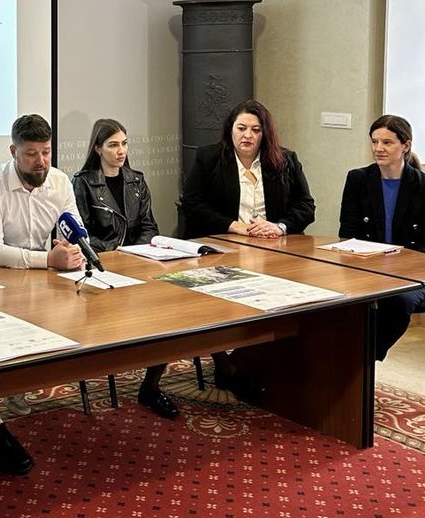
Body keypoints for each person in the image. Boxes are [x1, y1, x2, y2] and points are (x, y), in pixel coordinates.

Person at [0, 113, 85, 475]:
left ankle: (20, 383)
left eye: (46, 152)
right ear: (13, 151)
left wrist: (72, 250)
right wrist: (48, 259)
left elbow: (74, 228)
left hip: (40, 279)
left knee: (80, 320)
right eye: (31, 154)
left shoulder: (60, 181)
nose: (41, 162)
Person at [181, 99, 316, 397]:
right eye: (241, 128)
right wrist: (233, 225)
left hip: (273, 250)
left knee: (291, 302)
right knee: (211, 305)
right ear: (230, 130)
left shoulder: (285, 160)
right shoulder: (208, 158)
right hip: (220, 250)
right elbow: (192, 204)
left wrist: (279, 226)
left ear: (265, 133)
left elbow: (306, 206)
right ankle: (226, 366)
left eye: (255, 130)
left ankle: (259, 364)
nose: (248, 135)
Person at [71, 118, 177, 419]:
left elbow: (149, 226)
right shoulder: (83, 182)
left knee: (169, 319)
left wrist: (133, 253)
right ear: (97, 149)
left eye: (124, 144)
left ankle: (151, 384)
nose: (121, 151)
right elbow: (81, 234)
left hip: (139, 264)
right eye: (113, 145)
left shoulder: (136, 181)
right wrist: (115, 254)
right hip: (102, 268)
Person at [339, 114, 425, 359]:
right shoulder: (358, 179)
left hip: (412, 272)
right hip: (366, 267)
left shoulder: (422, 185)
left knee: (397, 301)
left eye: (387, 142)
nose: (378, 148)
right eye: (374, 142)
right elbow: (347, 233)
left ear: (405, 145)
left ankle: (363, 359)